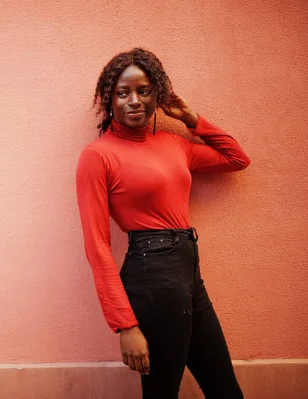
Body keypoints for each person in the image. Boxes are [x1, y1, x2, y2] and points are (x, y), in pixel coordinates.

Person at [75, 48, 250, 398]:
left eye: (144, 90)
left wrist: (191, 118)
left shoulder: (175, 144)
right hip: (150, 277)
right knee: (161, 392)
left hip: (188, 274)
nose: (134, 101)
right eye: (123, 93)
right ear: (109, 100)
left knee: (225, 389)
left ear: (157, 93)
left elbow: (236, 158)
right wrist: (125, 324)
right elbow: (97, 246)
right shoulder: (98, 156)